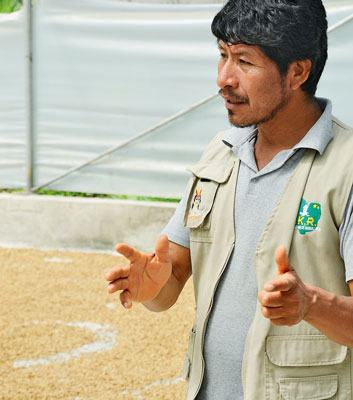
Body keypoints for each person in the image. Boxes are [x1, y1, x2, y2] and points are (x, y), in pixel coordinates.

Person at [105, 0, 353, 398]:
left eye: (244, 61)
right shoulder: (220, 151)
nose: (223, 78)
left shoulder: (347, 167)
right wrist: (152, 287)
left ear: (298, 72)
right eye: (222, 56)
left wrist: (311, 305)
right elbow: (175, 276)